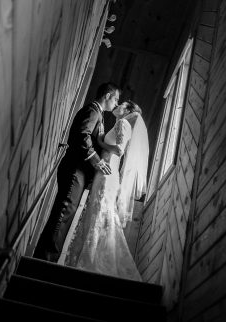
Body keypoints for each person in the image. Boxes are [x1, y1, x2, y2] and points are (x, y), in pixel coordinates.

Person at [34, 83, 121, 262]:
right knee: (64, 211)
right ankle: (44, 260)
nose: (116, 103)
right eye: (115, 99)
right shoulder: (93, 110)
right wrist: (97, 161)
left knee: (65, 211)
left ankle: (45, 257)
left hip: (79, 171)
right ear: (107, 96)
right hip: (75, 169)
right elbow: (82, 135)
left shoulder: (98, 114)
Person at [63, 100, 149, 281]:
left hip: (107, 174)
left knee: (101, 212)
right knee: (98, 212)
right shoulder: (119, 123)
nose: (117, 106)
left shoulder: (123, 123)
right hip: (105, 173)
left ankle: (92, 260)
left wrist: (100, 142)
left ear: (127, 110)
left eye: (121, 105)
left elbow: (118, 150)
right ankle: (93, 258)